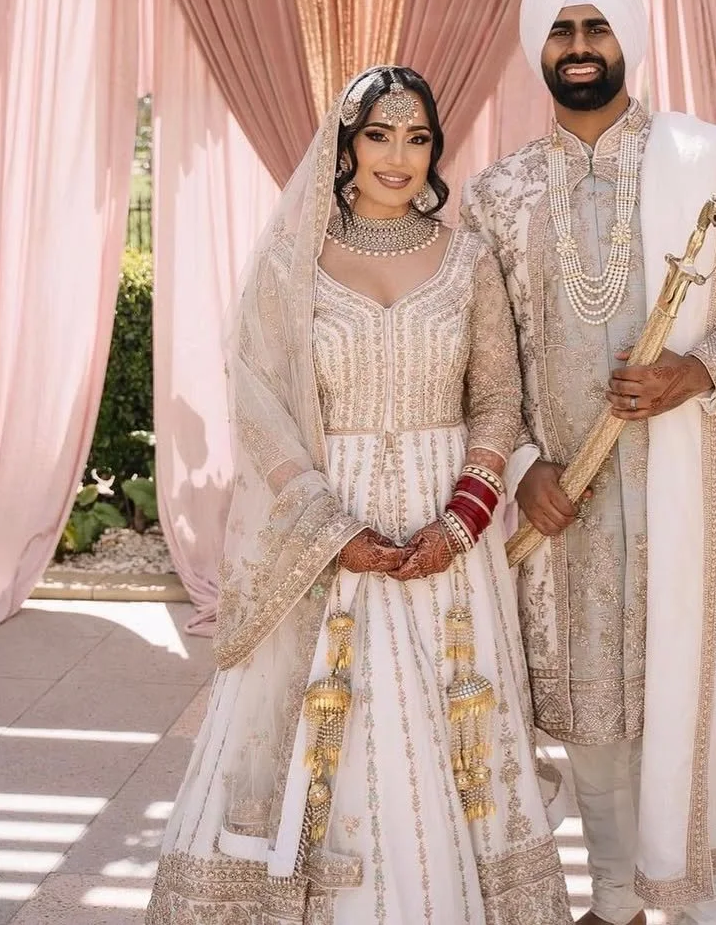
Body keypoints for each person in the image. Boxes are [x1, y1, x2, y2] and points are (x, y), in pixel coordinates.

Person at [147, 66, 570, 925]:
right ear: (346, 145)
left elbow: (495, 397)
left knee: (452, 712)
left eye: (418, 139)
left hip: (443, 526)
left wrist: (465, 516)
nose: (398, 156)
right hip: (326, 522)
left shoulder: (468, 260)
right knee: (327, 706)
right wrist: (328, 526)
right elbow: (258, 399)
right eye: (380, 134)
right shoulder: (292, 258)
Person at [462, 0, 716, 925]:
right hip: (570, 519)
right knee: (597, 728)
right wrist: (526, 468)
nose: (580, 49)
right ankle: (613, 902)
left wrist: (698, 369)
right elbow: (479, 365)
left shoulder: (713, 167)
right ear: (541, 51)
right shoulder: (496, 198)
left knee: (690, 708)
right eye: (562, 32)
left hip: (687, 504)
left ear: (631, 41)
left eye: (597, 27)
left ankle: (701, 910)